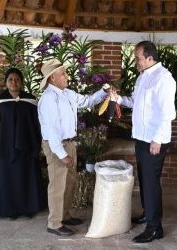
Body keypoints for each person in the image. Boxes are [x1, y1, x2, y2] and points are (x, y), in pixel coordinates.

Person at [110, 41, 176, 243]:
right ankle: (148, 213)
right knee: (144, 180)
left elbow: (168, 113)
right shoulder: (142, 78)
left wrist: (157, 139)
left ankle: (155, 228)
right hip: (141, 137)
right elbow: (134, 102)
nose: (135, 61)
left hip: (153, 140)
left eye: (138, 58)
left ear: (150, 58)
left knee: (151, 183)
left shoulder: (164, 78)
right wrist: (119, 99)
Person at [38, 59, 108, 236]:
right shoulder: (48, 99)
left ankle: (64, 216)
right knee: (57, 185)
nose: (66, 76)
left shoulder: (67, 93)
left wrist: (104, 92)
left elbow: (87, 101)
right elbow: (51, 130)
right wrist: (61, 154)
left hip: (69, 142)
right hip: (57, 146)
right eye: (63, 73)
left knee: (70, 182)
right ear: (52, 78)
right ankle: (54, 224)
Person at [0, 68, 45, 219]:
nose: (14, 82)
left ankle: (28, 207)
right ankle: (10, 209)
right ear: (6, 82)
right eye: (10, 79)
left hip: (29, 144)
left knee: (27, 176)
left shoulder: (31, 100)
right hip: (6, 146)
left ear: (22, 82)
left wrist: (42, 143)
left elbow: (39, 124)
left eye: (17, 79)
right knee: (9, 178)